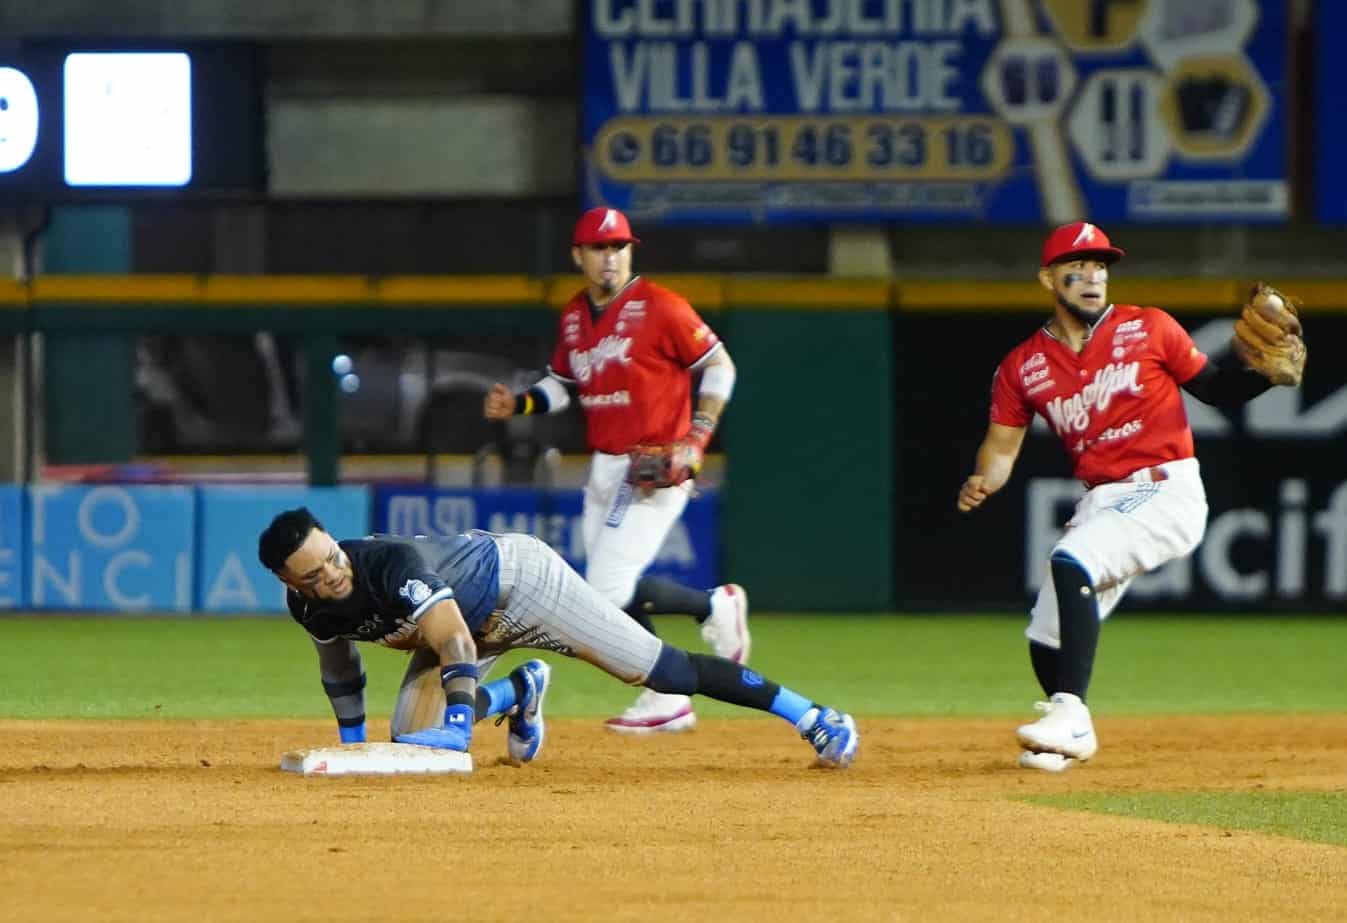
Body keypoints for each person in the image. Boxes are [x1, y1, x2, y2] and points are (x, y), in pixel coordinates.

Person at [956, 221, 1301, 772]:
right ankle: (1071, 733)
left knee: (1072, 560)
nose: (1094, 276)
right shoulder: (1024, 366)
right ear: (1049, 278)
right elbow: (1000, 449)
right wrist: (984, 480)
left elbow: (1216, 389)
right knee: (1046, 629)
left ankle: (1069, 715)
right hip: (1105, 500)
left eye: (1101, 266)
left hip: (1165, 489)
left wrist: (1262, 375)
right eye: (1079, 266)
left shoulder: (1150, 327)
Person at [257, 508, 857, 768]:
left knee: (661, 672)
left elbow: (455, 645)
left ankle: (814, 716)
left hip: (522, 584)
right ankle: (521, 691)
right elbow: (341, 671)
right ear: (289, 582)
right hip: (471, 624)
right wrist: (353, 743)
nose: (333, 572)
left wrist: (462, 725)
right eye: (315, 573)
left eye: (332, 555)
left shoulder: (388, 564)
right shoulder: (309, 608)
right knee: (411, 738)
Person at [484, 206, 749, 734]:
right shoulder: (575, 317)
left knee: (604, 590)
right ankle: (674, 674)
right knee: (610, 588)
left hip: (653, 463)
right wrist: (521, 405)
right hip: (605, 467)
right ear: (578, 255)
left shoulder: (662, 306)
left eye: (620, 247)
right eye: (600, 248)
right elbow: (564, 385)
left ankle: (703, 628)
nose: (611, 257)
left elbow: (719, 365)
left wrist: (697, 437)